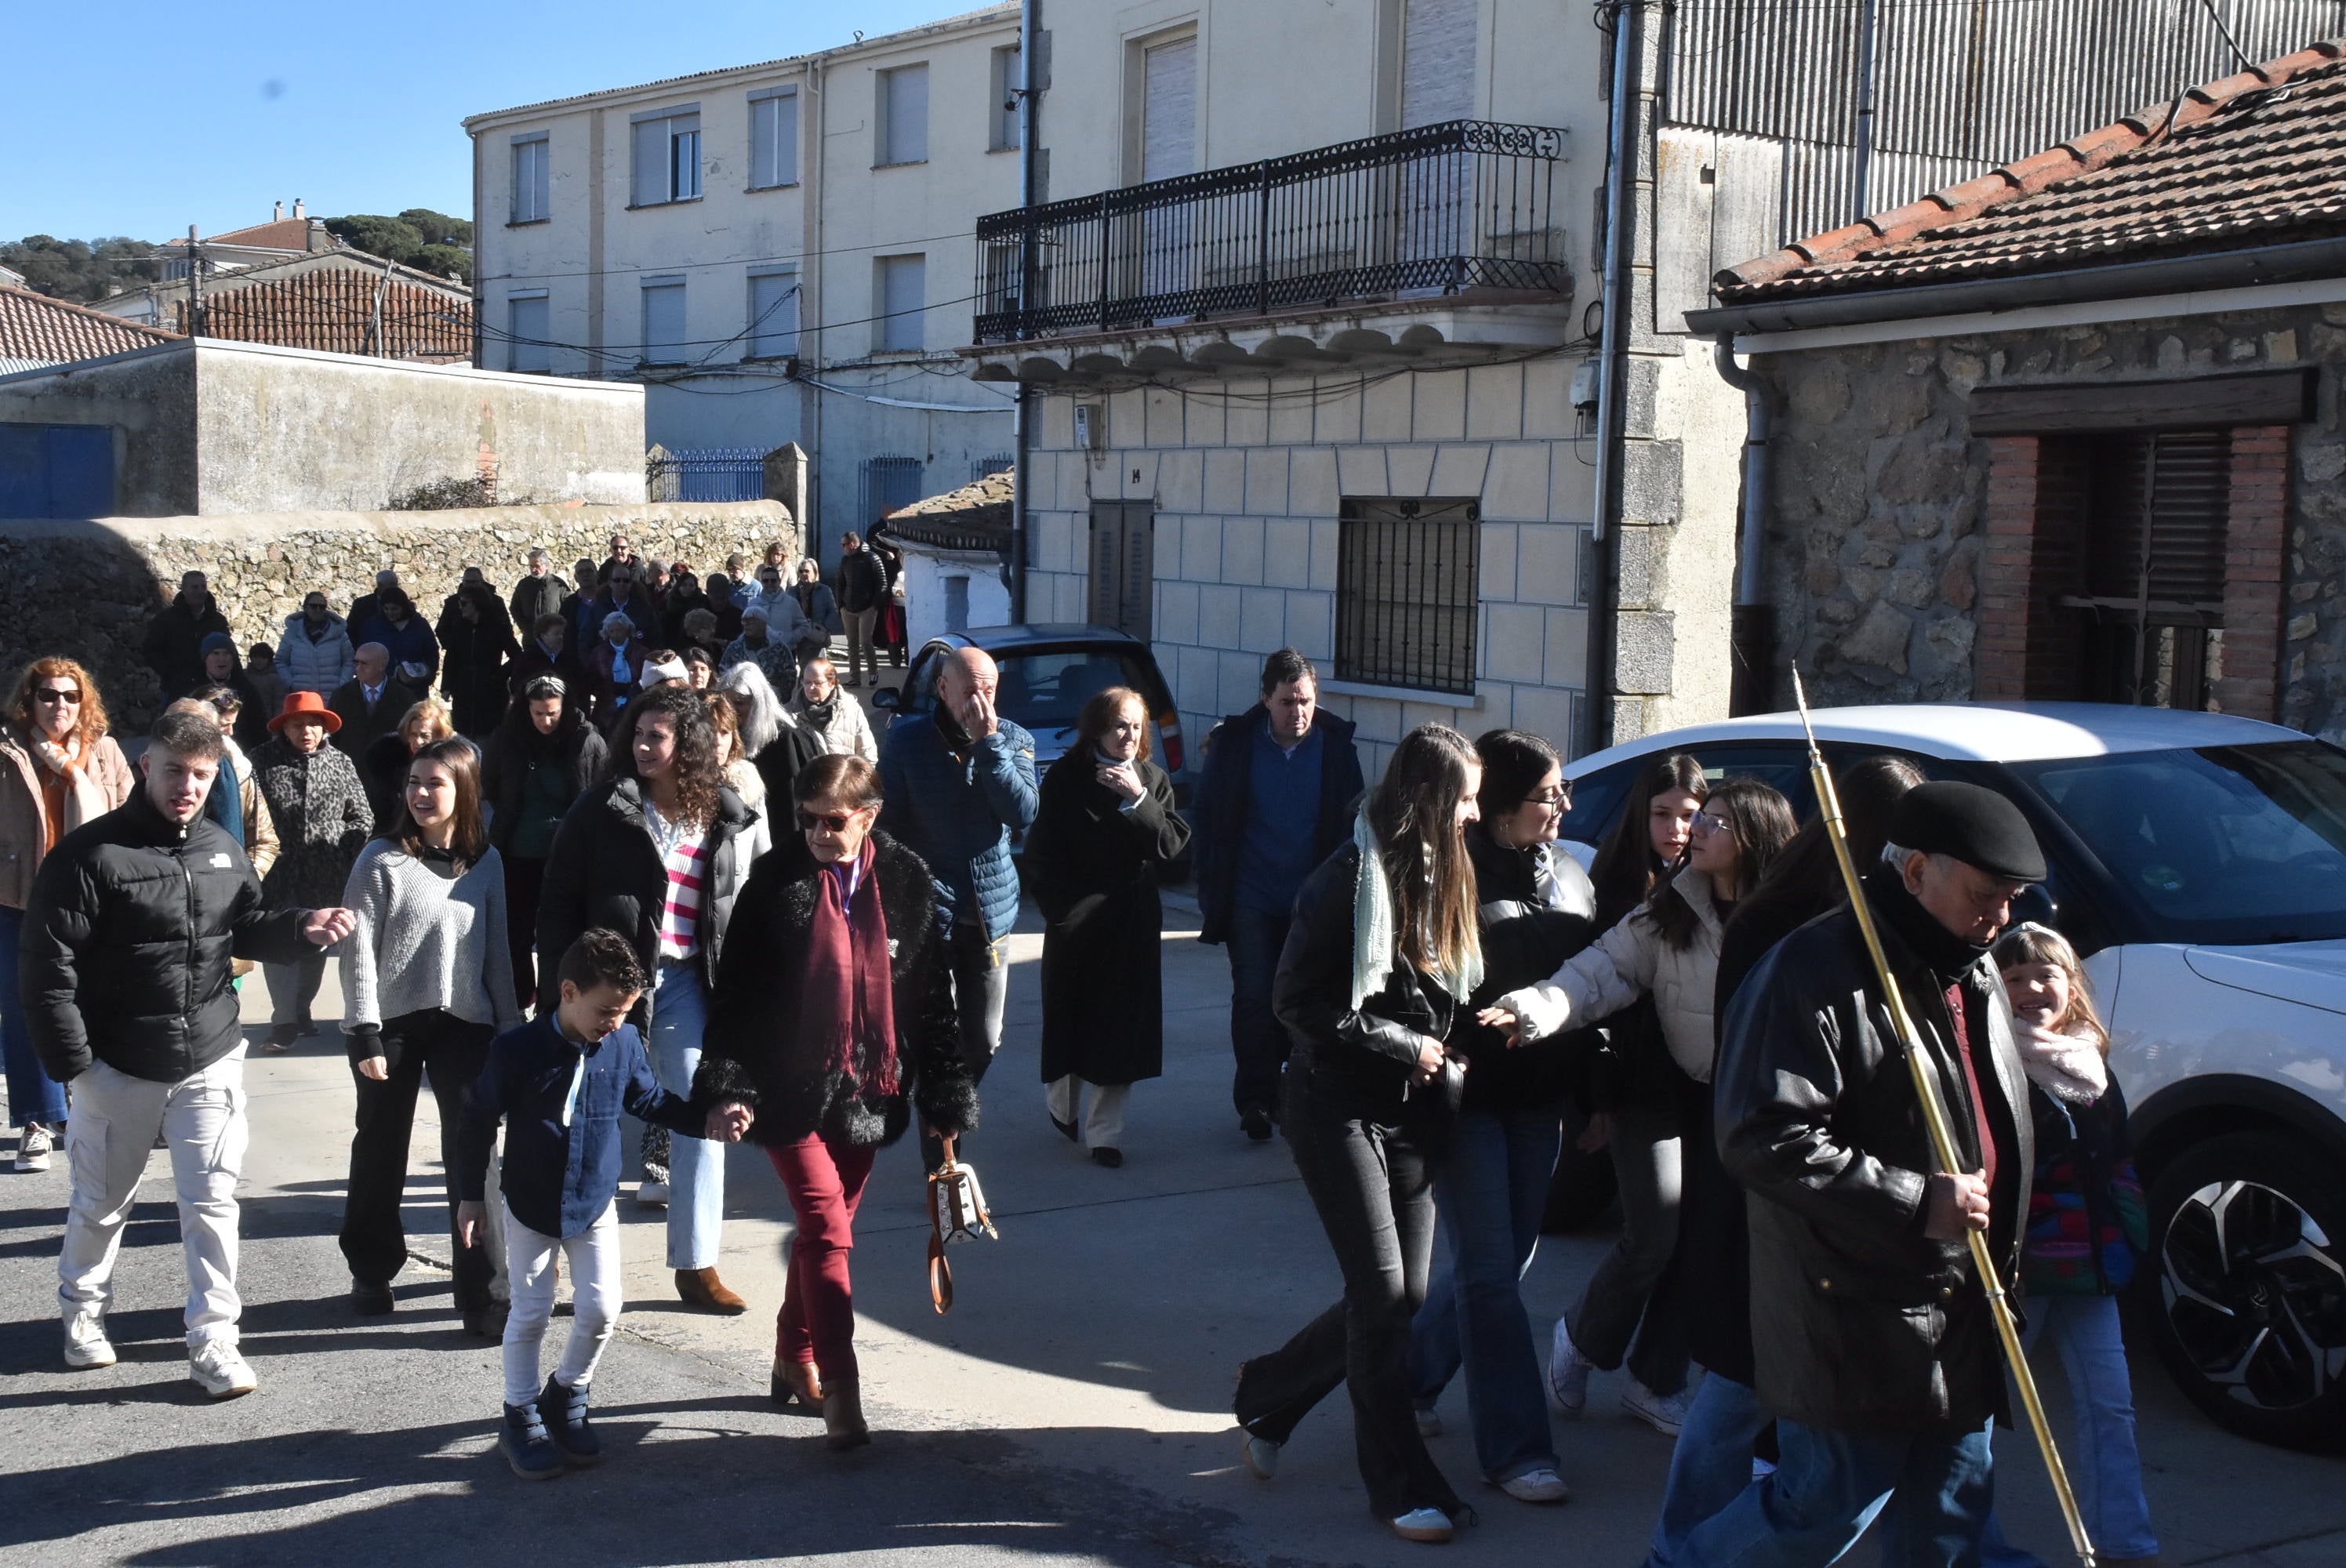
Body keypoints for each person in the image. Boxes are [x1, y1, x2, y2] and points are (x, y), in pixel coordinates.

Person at [1672, 781, 2040, 1568]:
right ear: (1913, 872)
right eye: (1985, 895)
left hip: (1964, 1303)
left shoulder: (1969, 969)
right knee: (1822, 1505)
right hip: (1855, 1305)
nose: (2000, 918)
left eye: (2011, 899)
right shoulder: (1811, 967)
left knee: (1947, 1517)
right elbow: (1761, 1133)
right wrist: (1914, 1200)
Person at [1639, 757, 1923, 1568]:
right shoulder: (1791, 925)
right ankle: (1679, 1549)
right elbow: (1769, 1065)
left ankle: (1689, 1545)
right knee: (1746, 1382)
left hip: (1804, 1186)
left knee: (1755, 1381)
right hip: (1771, 1180)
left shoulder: (1843, 914)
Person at [27, 708, 354, 1396]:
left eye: (202, 775)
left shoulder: (220, 848)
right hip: (116, 1065)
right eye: (175, 770)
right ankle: (83, 1316)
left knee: (211, 1203)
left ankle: (215, 1341)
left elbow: (246, 925)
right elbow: (47, 969)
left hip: (209, 1055)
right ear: (147, 766)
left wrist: (304, 927)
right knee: (101, 1204)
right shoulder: (88, 857)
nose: (187, 786)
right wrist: (79, 1068)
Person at [1232, 725, 1483, 1546]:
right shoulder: (1344, 880)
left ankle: (1270, 1389)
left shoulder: (1447, 872)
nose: (1476, 815)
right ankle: (1397, 1483)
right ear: (1428, 803)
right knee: (1381, 1298)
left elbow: (1451, 988)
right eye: (1466, 799)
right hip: (1333, 1104)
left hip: (1409, 1111)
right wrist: (1406, 1045)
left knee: (1400, 1299)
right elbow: (1294, 1003)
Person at [1489, 776, 1796, 1436]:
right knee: (1656, 1228)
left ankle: (1656, 1381)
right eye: (1696, 818)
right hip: (1655, 1090)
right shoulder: (1668, 909)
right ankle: (1580, 1338)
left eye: (1715, 822)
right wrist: (1532, 1008)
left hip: (1738, 1102)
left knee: (1706, 1241)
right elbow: (1599, 972)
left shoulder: (1792, 920)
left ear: (1758, 839)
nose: (1696, 832)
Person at [697, 753, 976, 1450]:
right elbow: (735, 998)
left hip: (869, 1092)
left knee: (827, 1236)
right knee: (826, 1230)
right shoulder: (775, 881)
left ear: (869, 817)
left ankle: (794, 1355)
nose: (819, 833)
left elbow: (931, 1002)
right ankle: (842, 1392)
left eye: (835, 821)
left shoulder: (907, 880)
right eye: (808, 820)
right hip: (786, 1093)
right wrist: (729, 1088)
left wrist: (944, 1091)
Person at [459, 928, 752, 1479]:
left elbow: (649, 1099)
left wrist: (706, 1119)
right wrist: (470, 1195)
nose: (614, 1022)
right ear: (568, 991)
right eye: (606, 1010)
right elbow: (475, 1118)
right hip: (530, 1201)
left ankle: (566, 1395)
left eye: (624, 1012)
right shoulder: (516, 1050)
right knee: (530, 1313)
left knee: (602, 1309)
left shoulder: (620, 1044)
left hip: (593, 1201)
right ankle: (519, 1414)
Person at [1406, 730, 1598, 1504]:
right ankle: (1516, 1450)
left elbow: (1597, 989)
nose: (1562, 804)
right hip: (1469, 1102)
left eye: (1561, 792)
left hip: (1541, 1101)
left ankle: (1403, 1379)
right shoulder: (1447, 877)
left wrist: (1597, 1097)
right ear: (1498, 804)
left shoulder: (1574, 875)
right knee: (1489, 1273)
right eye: (1548, 792)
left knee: (1505, 1260)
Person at [536, 684, 772, 1312]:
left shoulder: (723, 813)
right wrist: (559, 989)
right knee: (584, 1116)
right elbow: (557, 902)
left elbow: (736, 906)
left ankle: (697, 1264)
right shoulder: (601, 810)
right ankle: (561, 1254)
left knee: (703, 1111)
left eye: (657, 737)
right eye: (637, 735)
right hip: (605, 989)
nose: (642, 746)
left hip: (686, 981)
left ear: (689, 746)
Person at [1978, 924, 2158, 1568]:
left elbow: (2118, 1161)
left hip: (2092, 1272)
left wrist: (2127, 1232)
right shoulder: (1989, 1063)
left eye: (2045, 974)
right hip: (2019, 1274)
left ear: (2072, 987)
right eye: (2015, 976)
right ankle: (1964, 1543)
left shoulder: (2090, 1066)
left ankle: (2125, 1544)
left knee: (2111, 1405)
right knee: (1977, 1419)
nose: (2031, 988)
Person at [338, 739, 523, 1332]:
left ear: (464, 790)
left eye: (434, 783)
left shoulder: (487, 862)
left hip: (463, 1022)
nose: (419, 793)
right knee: (381, 1144)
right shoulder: (380, 860)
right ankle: (372, 1267)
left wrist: (512, 1030)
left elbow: (497, 956)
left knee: (473, 1154)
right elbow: (358, 951)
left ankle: (482, 1293)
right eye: (414, 782)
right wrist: (363, 1029)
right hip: (389, 1023)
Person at [1193, 649, 1366, 1141]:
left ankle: (1296, 1093)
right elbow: (1207, 820)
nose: (1299, 712)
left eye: (1306, 701)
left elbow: (1355, 827)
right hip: (1251, 893)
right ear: (1266, 699)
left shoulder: (1336, 749)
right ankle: (1256, 1100)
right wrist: (1210, 888)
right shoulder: (1235, 746)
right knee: (1253, 997)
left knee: (1302, 1002)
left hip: (1311, 901)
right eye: (1288, 701)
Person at [878, 645, 1037, 1167]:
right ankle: (942, 1153)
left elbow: (1022, 811)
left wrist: (988, 746)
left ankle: (939, 1097)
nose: (979, 700)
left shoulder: (1014, 739)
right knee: (936, 1036)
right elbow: (888, 826)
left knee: (984, 1039)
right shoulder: (906, 741)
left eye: (988, 689)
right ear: (942, 690)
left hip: (989, 914)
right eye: (969, 689)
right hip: (930, 914)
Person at [1021, 686, 1189, 1167]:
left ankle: (1106, 1135)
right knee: (1072, 1023)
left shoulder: (1151, 780)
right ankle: (1063, 1106)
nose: (1129, 735)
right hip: (1076, 921)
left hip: (1130, 923)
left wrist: (1137, 800)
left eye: (1136, 727)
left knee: (1121, 1032)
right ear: (1097, 728)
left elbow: (1171, 846)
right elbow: (1041, 854)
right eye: (1119, 725)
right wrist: (1060, 911)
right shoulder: (1066, 778)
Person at [0, 659, 136, 1173]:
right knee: (22, 1008)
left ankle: (79, 1109)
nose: (60, 706)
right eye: (49, 695)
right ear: (29, 700)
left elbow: (129, 817)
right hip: (16, 897)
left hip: (87, 900)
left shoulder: (103, 751)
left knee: (82, 1006)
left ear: (85, 701)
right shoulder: (9, 752)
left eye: (71, 696)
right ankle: (37, 1122)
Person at [250, 691, 375, 1050]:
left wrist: (344, 848)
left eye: (313, 724)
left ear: (324, 729)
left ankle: (301, 1011)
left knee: (315, 946)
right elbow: (247, 812)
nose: (306, 731)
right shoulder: (261, 760)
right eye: (297, 724)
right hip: (278, 870)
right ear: (284, 729)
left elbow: (362, 816)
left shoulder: (340, 762)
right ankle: (283, 1020)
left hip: (326, 872)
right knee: (278, 941)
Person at [482, 675, 608, 1013]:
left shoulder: (587, 740)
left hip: (566, 855)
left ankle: (555, 1004)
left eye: (551, 713)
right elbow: (490, 785)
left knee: (559, 935)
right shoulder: (507, 738)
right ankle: (520, 998)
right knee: (515, 934)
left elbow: (600, 788)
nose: (545, 721)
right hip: (517, 852)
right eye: (538, 713)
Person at [178, 689, 281, 885]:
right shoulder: (157, 775)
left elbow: (264, 841)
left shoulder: (240, 771)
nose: (231, 733)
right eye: (225, 725)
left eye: (233, 725)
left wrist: (243, 882)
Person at [719, 661, 824, 807]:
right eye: (727, 703)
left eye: (739, 703)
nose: (732, 709)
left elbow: (795, 796)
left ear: (758, 703)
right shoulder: (725, 734)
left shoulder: (786, 738)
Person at [439, 579, 520, 737]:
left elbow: (517, 654)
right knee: (463, 732)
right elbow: (451, 657)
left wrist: (498, 675)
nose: (460, 607)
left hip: (490, 690)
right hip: (464, 688)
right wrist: (447, 685)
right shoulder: (459, 627)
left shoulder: (497, 626)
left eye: (464, 603)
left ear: (477, 604)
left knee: (488, 734)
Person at [362, 696, 462, 825]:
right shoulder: (386, 762)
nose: (418, 742)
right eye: (413, 735)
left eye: (425, 736)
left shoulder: (453, 763)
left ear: (440, 736)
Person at [142, 570, 231, 702]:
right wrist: (171, 673)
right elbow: (150, 650)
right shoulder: (166, 619)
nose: (200, 591)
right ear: (184, 590)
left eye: (203, 587)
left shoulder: (218, 621)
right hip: (175, 689)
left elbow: (227, 651)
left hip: (210, 689)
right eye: (195, 587)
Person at [330, 643, 423, 763]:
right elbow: (333, 737)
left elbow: (410, 737)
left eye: (364, 663)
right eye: (356, 662)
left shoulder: (404, 697)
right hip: (350, 769)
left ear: (382, 665)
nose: (358, 668)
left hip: (388, 770)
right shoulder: (341, 696)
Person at [788, 656, 878, 763]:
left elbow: (868, 754)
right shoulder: (789, 714)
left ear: (832, 683)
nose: (811, 688)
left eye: (817, 683)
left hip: (845, 778)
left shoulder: (851, 708)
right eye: (807, 682)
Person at [357, 586, 439, 691]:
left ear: (404, 607)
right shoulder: (373, 626)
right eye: (386, 609)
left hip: (414, 686)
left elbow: (431, 652)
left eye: (394, 609)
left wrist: (428, 675)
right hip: (381, 686)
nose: (390, 613)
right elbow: (363, 653)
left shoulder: (419, 625)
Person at [195, 633, 269, 750]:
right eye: (216, 653)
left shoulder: (246, 689)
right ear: (205, 658)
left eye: (227, 654)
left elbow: (259, 728)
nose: (222, 659)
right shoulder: (190, 688)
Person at [277, 591, 355, 698]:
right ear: (305, 608)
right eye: (314, 606)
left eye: (322, 607)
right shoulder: (292, 633)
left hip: (332, 697)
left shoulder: (339, 634)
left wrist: (342, 684)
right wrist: (291, 683)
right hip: (302, 697)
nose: (318, 610)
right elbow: (281, 661)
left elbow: (349, 661)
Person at [835, 533, 887, 688]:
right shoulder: (845, 561)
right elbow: (840, 583)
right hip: (848, 607)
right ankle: (855, 677)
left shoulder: (872, 558)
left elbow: (882, 583)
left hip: (868, 607)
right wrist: (841, 606)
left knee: (865, 641)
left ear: (852, 544)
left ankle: (872, 672)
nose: (842, 548)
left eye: (844, 544)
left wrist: (876, 604)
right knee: (852, 644)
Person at [586, 612, 649, 727]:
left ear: (627, 630)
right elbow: (591, 679)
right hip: (606, 707)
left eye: (619, 630)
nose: (615, 635)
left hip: (635, 703)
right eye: (611, 631)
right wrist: (606, 690)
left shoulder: (641, 652)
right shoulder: (599, 653)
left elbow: (647, 678)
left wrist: (633, 690)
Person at [706, 689, 766, 808]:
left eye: (724, 733)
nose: (718, 742)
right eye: (710, 733)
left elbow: (760, 826)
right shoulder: (677, 782)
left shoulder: (748, 782)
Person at [721, 606, 800, 698]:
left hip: (772, 698)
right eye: (744, 620)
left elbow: (789, 673)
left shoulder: (779, 648)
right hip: (742, 698)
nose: (747, 624)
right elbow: (724, 670)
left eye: (752, 620)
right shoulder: (735, 647)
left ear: (763, 623)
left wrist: (778, 693)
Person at [507, 612, 586, 698]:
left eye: (562, 633)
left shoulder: (570, 656)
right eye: (556, 633)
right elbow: (517, 688)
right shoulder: (527, 659)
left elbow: (581, 685)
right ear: (543, 635)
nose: (561, 637)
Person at [580, 561, 656, 648]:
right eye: (617, 580)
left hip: (638, 659)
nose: (621, 584)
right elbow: (585, 640)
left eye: (626, 580)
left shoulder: (644, 609)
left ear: (631, 583)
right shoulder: (598, 609)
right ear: (610, 583)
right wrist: (593, 660)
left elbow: (656, 640)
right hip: (605, 660)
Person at [510, 549, 566, 637]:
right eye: (531, 566)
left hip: (554, 638)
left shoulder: (558, 585)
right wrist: (525, 628)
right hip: (531, 638)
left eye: (537, 566)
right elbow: (515, 608)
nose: (534, 569)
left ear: (546, 566)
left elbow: (569, 608)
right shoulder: (524, 585)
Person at [790, 557, 840, 650]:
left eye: (807, 571)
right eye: (801, 571)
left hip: (817, 637)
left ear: (815, 572)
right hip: (799, 637)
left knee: (816, 664)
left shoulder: (825, 590)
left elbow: (833, 612)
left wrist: (824, 628)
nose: (803, 574)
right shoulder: (792, 591)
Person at [348, 569, 400, 646]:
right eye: (392, 584)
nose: (395, 587)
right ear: (380, 585)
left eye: (396, 584)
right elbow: (351, 631)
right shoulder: (361, 605)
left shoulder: (403, 604)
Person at [245, 643, 288, 723]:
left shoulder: (275, 679)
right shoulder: (245, 676)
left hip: (267, 720)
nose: (259, 661)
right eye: (256, 657)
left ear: (269, 659)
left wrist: (276, 723)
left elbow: (279, 704)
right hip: (246, 718)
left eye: (263, 658)